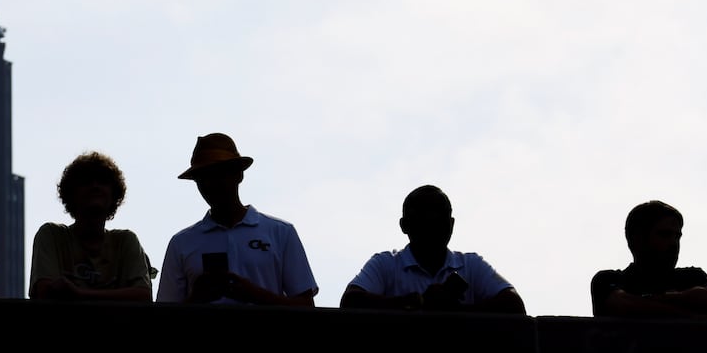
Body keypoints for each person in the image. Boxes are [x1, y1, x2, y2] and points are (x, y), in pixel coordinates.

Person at [155, 133, 317, 306]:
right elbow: (164, 315)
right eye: (202, 178)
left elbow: (306, 307)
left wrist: (255, 295)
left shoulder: (281, 233)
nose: (209, 184)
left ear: (238, 175)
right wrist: (197, 299)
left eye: (217, 174)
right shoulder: (181, 243)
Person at [340, 184, 525, 313]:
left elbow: (514, 304)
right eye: (423, 217)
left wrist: (453, 311)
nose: (431, 223)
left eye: (438, 217)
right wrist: (416, 302)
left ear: (451, 224)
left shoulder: (471, 265)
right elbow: (351, 300)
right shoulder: (385, 264)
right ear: (404, 225)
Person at [29, 151, 154, 301]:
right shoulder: (52, 236)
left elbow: (143, 296)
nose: (95, 186)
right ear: (71, 193)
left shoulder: (126, 241)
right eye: (86, 181)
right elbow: (46, 293)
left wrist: (78, 294)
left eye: (103, 181)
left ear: (114, 194)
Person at [590, 200, 707, 318]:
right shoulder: (607, 280)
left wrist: (647, 300)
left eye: (677, 236)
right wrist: (694, 317)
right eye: (664, 235)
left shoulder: (693, 277)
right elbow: (620, 305)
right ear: (637, 239)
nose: (674, 243)